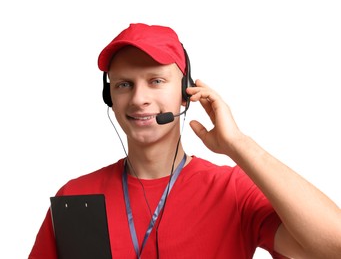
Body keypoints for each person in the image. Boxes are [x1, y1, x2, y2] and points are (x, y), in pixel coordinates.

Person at [29, 23, 341, 259]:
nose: (139, 99)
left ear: (184, 93)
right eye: (124, 84)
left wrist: (238, 144)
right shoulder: (77, 195)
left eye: (156, 81)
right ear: (108, 96)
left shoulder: (232, 190)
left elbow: (334, 247)